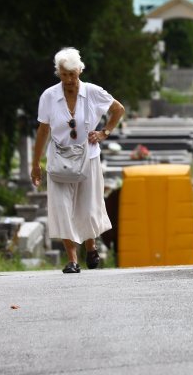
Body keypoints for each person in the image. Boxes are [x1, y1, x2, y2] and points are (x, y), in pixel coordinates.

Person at [31, 47, 125, 273]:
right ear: (58, 73)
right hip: (59, 159)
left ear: (80, 70)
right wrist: (35, 164)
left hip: (88, 157)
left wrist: (104, 133)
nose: (69, 79)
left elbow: (118, 110)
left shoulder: (92, 92)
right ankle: (72, 259)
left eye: (73, 74)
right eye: (64, 74)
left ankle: (91, 247)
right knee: (61, 208)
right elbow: (43, 131)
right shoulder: (49, 96)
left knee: (88, 207)